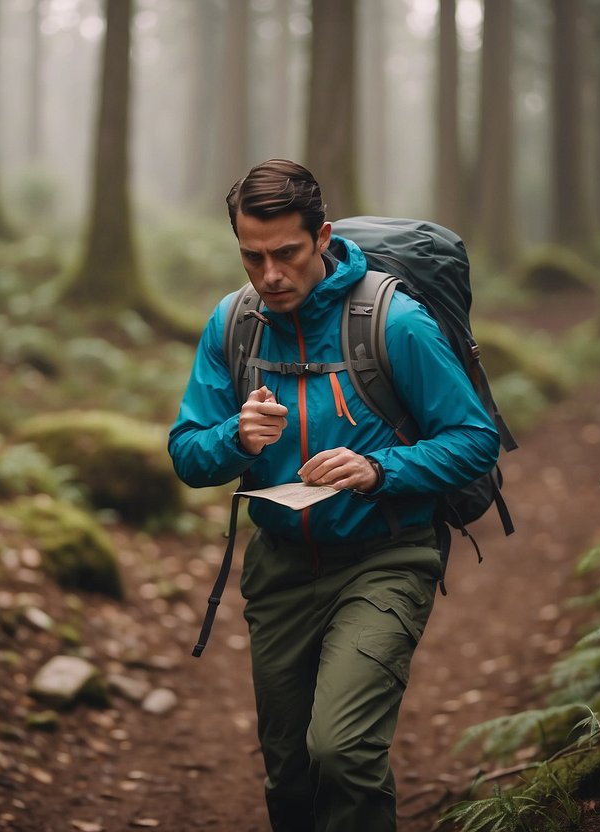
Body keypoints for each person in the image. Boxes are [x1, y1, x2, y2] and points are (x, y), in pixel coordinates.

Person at [167, 159, 500, 831]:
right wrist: (236, 437)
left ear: (320, 236)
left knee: (341, 751)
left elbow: (473, 438)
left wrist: (379, 470)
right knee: (288, 772)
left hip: (385, 557)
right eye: (251, 257)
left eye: (285, 253)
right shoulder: (233, 325)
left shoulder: (392, 321)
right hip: (280, 569)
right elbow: (186, 453)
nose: (269, 276)